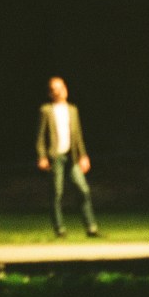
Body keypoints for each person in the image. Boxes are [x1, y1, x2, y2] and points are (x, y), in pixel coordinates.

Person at [35, 76, 100, 238]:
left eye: (61, 87)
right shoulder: (46, 110)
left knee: (83, 189)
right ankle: (59, 229)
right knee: (56, 193)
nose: (60, 91)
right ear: (50, 93)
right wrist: (42, 156)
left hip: (72, 156)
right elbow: (40, 137)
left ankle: (91, 227)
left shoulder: (72, 110)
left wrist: (83, 155)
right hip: (55, 156)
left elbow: (78, 136)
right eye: (55, 89)